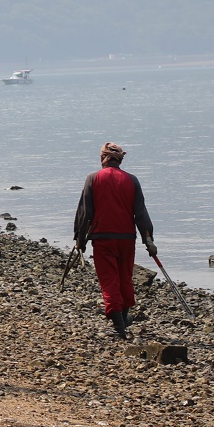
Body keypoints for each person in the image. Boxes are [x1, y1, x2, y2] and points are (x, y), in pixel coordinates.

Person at [72, 141, 156, 339]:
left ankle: (119, 327)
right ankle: (123, 319)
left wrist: (80, 238)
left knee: (109, 281)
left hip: (103, 239)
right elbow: (140, 214)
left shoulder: (93, 178)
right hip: (127, 239)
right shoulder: (132, 180)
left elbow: (85, 212)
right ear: (120, 160)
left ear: (103, 158)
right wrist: (149, 240)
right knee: (124, 278)